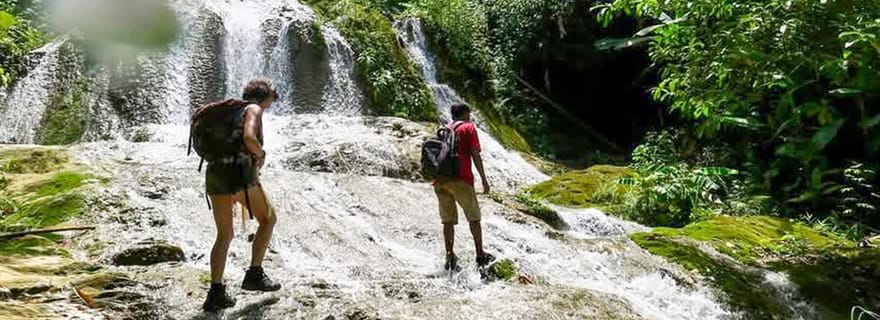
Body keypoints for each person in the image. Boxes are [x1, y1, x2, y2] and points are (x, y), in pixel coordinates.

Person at [202, 79, 281, 311]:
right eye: (270, 101)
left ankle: (215, 293)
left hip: (215, 173)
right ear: (264, 97)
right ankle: (254, 274)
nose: (269, 106)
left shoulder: (228, 111)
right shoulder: (253, 109)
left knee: (224, 235)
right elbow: (248, 137)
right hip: (238, 175)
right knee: (268, 218)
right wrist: (261, 154)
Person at [433, 103, 495, 271]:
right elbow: (475, 154)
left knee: (447, 220)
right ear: (465, 113)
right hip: (461, 179)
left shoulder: (443, 130)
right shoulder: (468, 128)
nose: (470, 117)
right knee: (474, 218)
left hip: (440, 180)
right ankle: (480, 255)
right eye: (469, 114)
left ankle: (449, 256)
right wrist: (484, 179)